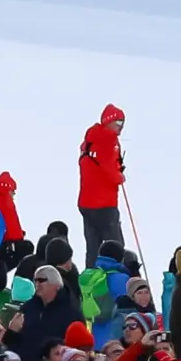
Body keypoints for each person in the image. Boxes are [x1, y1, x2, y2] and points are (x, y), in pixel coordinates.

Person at [76, 105, 127, 267]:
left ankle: (90, 284)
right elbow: (109, 170)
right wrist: (119, 176)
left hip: (86, 203)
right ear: (108, 121)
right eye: (118, 121)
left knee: (93, 247)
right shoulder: (108, 140)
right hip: (104, 203)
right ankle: (115, 283)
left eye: (122, 121)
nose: (121, 125)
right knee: (115, 246)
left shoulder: (91, 140)